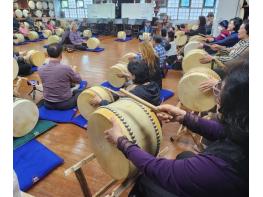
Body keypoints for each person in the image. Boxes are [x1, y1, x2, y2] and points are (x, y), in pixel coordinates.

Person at [103, 62, 249, 197]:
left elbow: (156, 168)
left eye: (220, 92)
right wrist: (184, 117)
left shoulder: (221, 168)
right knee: (184, 155)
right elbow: (222, 132)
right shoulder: (246, 128)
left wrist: (121, 142)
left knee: (146, 180)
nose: (217, 98)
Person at [90, 60, 161, 107]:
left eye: (128, 73)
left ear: (133, 76)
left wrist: (100, 102)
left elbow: (115, 108)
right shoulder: (154, 84)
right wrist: (126, 75)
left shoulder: (133, 94)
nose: (128, 74)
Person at [38, 43, 83, 110]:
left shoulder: (40, 68)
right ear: (61, 54)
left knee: (72, 89)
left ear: (48, 54)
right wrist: (74, 71)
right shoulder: (66, 68)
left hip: (47, 103)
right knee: (81, 92)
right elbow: (79, 80)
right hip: (64, 104)